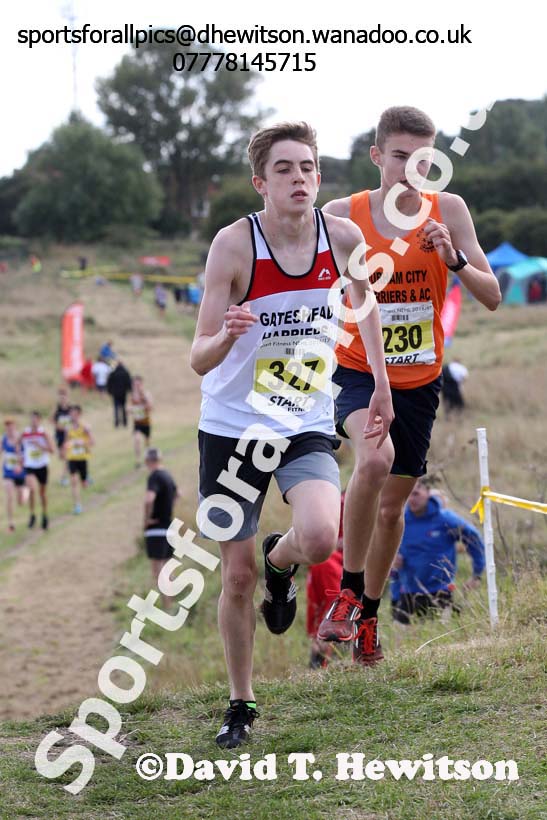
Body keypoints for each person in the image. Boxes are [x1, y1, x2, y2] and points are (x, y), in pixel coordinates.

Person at [191, 121, 393, 748]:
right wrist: (227, 334)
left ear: (318, 176)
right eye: (285, 169)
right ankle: (241, 704)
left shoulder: (345, 236)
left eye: (308, 167)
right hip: (232, 429)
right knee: (237, 577)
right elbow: (198, 356)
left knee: (319, 535)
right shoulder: (233, 246)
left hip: (302, 416)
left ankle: (285, 564)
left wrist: (382, 384)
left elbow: (366, 307)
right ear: (261, 183)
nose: (300, 178)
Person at [317, 106, 501, 665]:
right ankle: (348, 593)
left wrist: (456, 259)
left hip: (420, 381)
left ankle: (368, 618)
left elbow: (491, 294)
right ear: (377, 157)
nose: (410, 169)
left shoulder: (448, 210)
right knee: (373, 461)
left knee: (393, 509)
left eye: (423, 159)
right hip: (356, 370)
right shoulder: (342, 215)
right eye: (400, 157)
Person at [391, 478, 485, 624]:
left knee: (440, 637)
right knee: (402, 642)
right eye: (408, 494)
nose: (412, 499)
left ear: (428, 492)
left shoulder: (445, 519)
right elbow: (380, 545)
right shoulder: (400, 519)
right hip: (407, 592)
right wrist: (391, 558)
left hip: (440, 591)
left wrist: (477, 573)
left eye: (416, 493)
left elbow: (474, 539)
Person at [306, 492, 345, 669]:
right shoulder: (320, 563)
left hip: (331, 633)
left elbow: (333, 598)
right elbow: (316, 601)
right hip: (327, 631)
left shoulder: (325, 563)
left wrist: (320, 634)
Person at [142, 448, 180, 609]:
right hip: (169, 529)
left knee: (159, 573)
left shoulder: (154, 476)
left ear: (147, 462)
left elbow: (149, 499)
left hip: (156, 530)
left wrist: (147, 519)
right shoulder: (167, 476)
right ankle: (176, 603)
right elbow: (178, 495)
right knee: (168, 568)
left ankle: (167, 608)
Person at [19, 412, 54, 530]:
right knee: (32, 489)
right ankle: (32, 514)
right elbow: (16, 444)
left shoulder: (43, 433)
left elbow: (52, 449)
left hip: (42, 465)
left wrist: (39, 445)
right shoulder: (25, 433)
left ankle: (44, 514)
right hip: (30, 465)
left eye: (35, 419)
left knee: (42, 493)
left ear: (39, 420)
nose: (33, 421)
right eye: (31, 419)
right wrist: (20, 456)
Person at [63, 405, 94, 514]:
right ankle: (77, 505)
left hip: (83, 458)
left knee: (84, 484)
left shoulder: (85, 427)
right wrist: (68, 446)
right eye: (71, 414)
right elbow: (65, 443)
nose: (73, 416)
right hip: (72, 458)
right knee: (74, 481)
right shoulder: (68, 428)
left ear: (79, 415)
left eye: (75, 414)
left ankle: (86, 479)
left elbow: (92, 442)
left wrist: (82, 442)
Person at [2, 419, 28, 532]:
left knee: (21, 501)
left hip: (20, 473)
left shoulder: (21, 439)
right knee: (9, 496)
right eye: (7, 427)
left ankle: (26, 491)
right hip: (8, 472)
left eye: (11, 427)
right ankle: (11, 523)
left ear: (15, 427)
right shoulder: (3, 439)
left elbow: (27, 455)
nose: (9, 429)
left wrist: (20, 464)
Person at [129, 376, 153, 467]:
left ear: (141, 385)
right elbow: (128, 408)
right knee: (137, 439)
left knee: (147, 443)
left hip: (146, 422)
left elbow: (150, 408)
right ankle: (138, 460)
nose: (136, 386)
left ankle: (148, 459)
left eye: (138, 384)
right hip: (137, 423)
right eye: (134, 385)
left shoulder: (146, 394)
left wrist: (144, 405)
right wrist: (131, 409)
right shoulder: (131, 396)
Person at [51, 387, 72, 486]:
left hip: (69, 436)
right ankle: (69, 472)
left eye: (64, 397)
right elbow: (51, 419)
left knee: (67, 456)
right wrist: (58, 426)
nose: (63, 399)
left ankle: (64, 477)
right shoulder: (57, 409)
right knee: (62, 456)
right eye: (61, 397)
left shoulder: (70, 409)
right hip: (60, 435)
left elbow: (75, 419)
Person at [106, 361, 132, 428]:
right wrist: (129, 390)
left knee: (116, 408)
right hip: (123, 393)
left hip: (115, 393)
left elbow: (109, 383)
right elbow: (129, 382)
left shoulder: (113, 373)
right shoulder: (125, 373)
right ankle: (124, 422)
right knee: (123, 408)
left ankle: (116, 423)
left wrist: (110, 391)